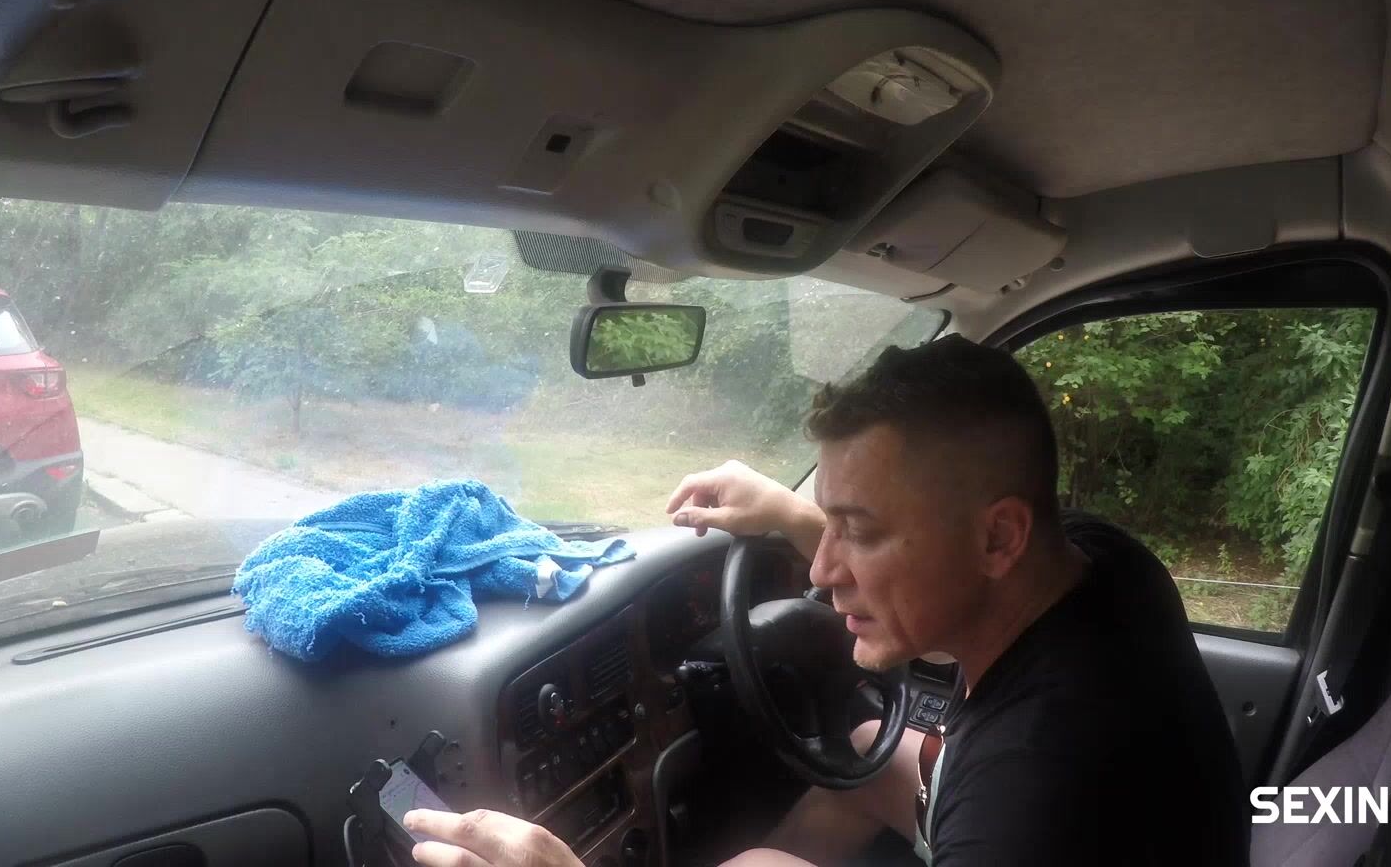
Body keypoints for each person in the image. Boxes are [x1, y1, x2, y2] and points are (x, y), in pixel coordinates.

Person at [403, 336, 1248, 866]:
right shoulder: (1099, 560)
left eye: (861, 531)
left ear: (999, 537)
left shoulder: (1028, 800)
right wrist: (792, 512)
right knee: (862, 753)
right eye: (829, 524)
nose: (820, 570)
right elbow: (938, 578)